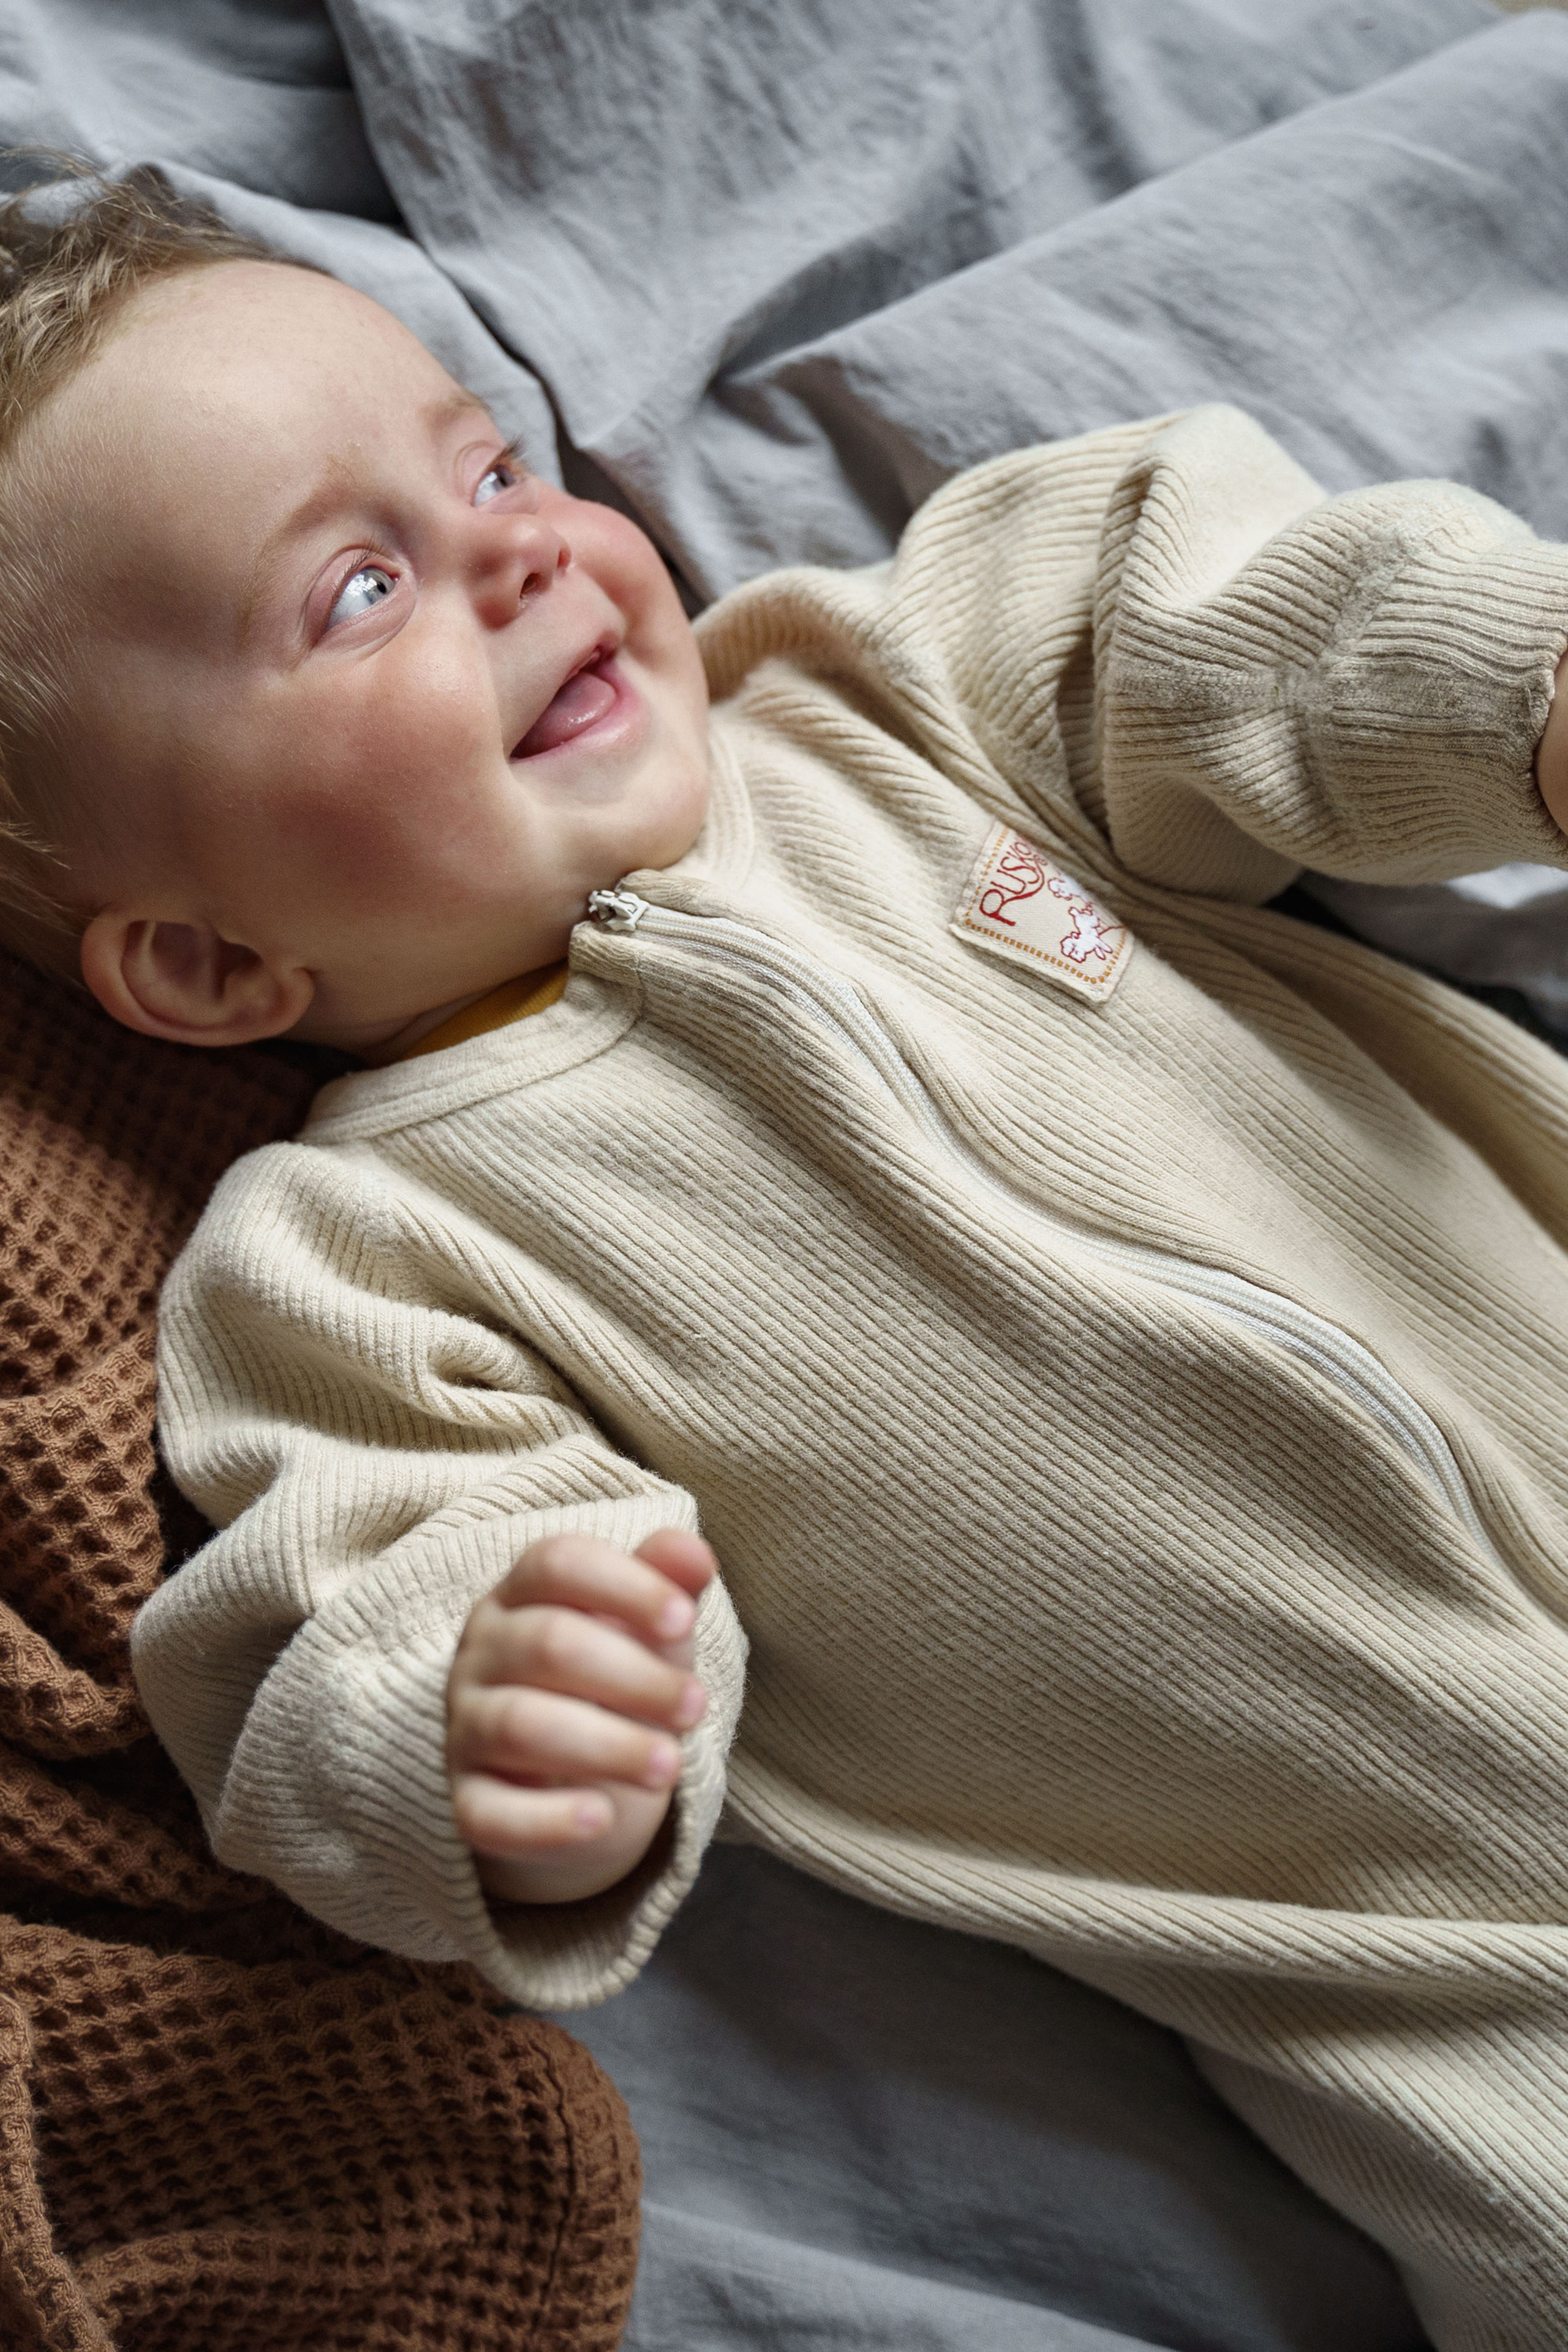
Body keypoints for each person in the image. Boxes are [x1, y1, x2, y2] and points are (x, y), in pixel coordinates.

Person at [7, 170, 1568, 2348]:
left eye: (489, 465)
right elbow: (328, 1609)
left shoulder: (876, 704)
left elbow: (1197, 613)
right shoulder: (353, 1258)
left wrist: (1512, 691)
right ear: (203, 956)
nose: (519, 551)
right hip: (1440, 1966)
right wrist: (481, 1713)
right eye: (364, 586)